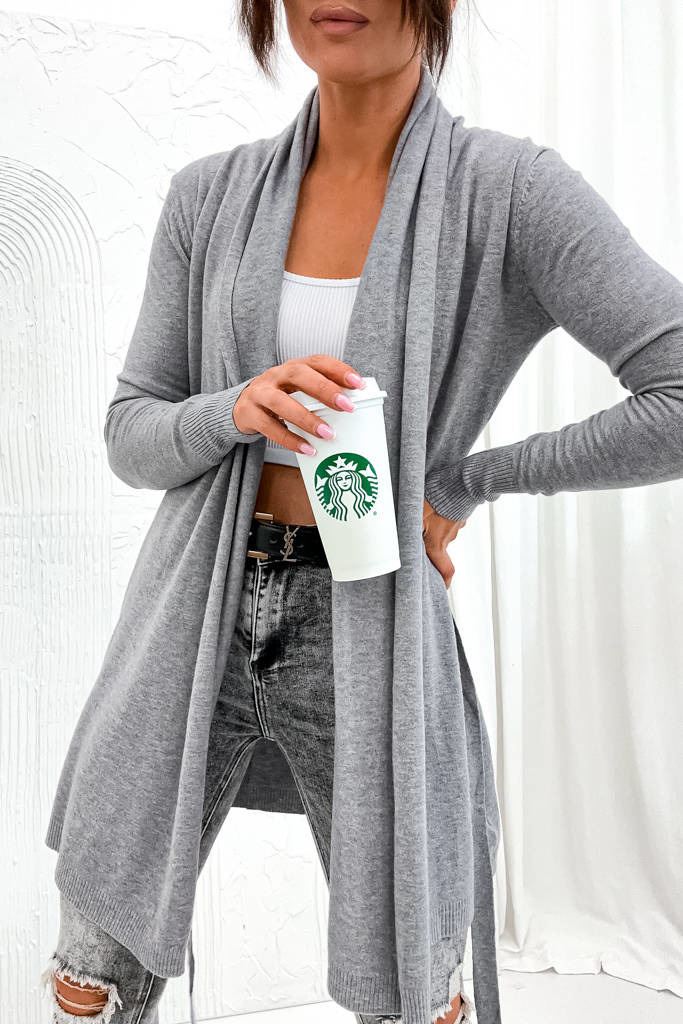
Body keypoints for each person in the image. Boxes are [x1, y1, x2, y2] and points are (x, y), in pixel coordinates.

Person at [42, 2, 683, 1023]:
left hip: (371, 620)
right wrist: (233, 407)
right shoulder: (208, 194)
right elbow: (131, 433)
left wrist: (461, 482)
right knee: (93, 970)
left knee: (411, 981)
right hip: (189, 612)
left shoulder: (506, 191)